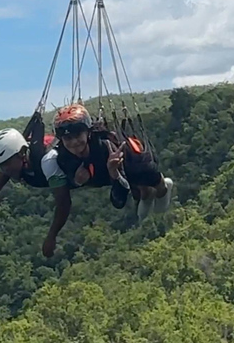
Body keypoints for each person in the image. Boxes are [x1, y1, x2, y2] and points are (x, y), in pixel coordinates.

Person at [39, 102, 174, 257]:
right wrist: (76, 180)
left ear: (88, 133)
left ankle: (162, 189)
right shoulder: (64, 158)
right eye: (67, 138)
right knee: (143, 195)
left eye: (78, 135)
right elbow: (116, 202)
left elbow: (120, 199)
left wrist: (114, 171)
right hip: (103, 174)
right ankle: (146, 196)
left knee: (155, 185)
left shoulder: (106, 148)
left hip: (130, 163)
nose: (74, 142)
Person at [0, 112, 55, 201]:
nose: (5, 169)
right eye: (1, 165)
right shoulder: (13, 166)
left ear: (21, 153)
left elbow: (63, 201)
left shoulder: (48, 158)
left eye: (7, 163)